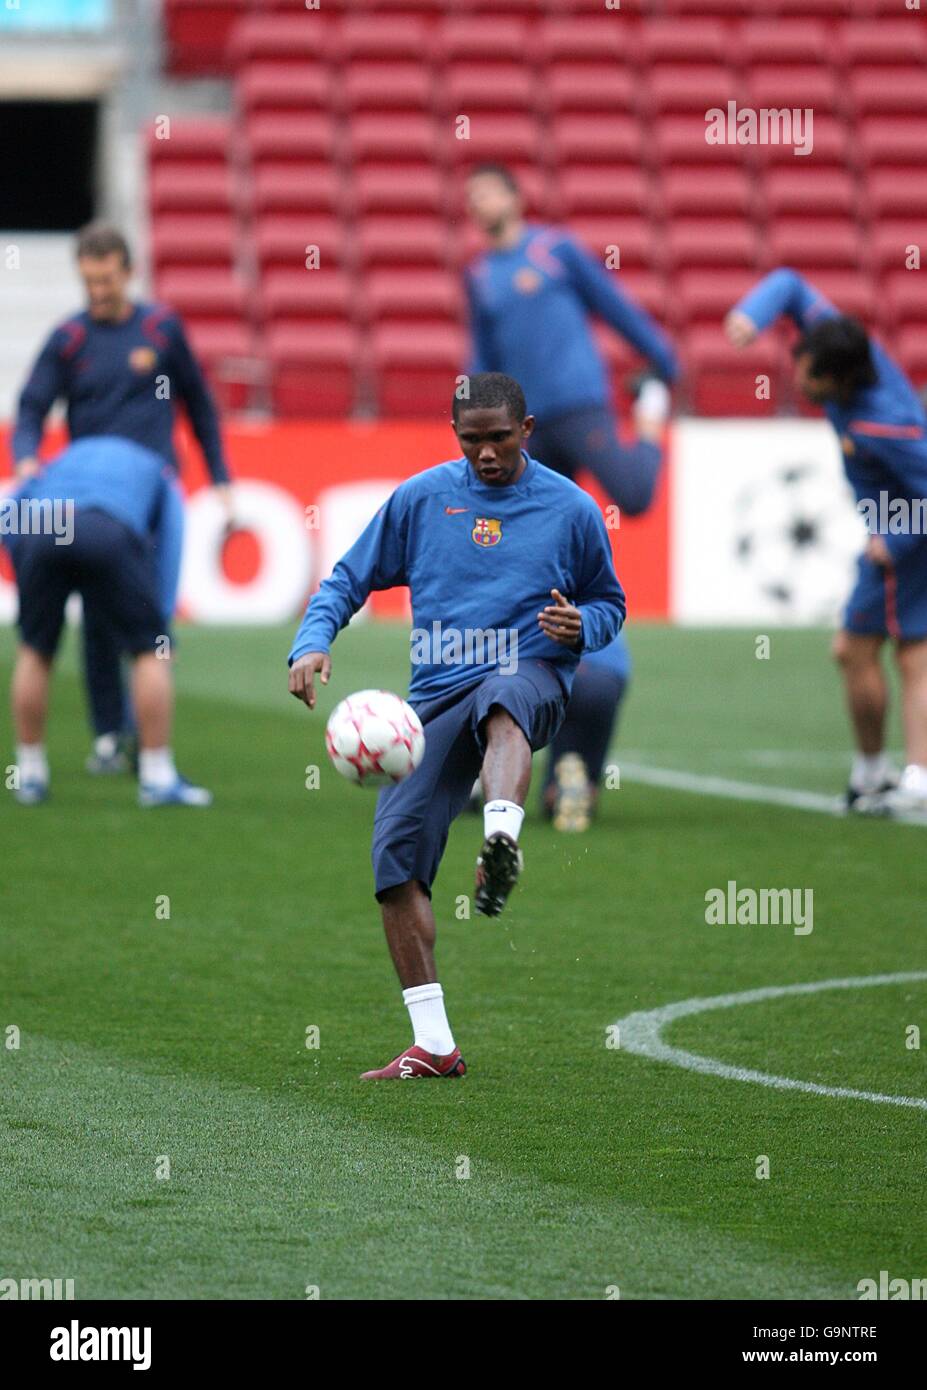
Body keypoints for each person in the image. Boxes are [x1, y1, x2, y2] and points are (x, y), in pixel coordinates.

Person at [287, 374, 626, 1079]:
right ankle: (434, 1044)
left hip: (528, 667)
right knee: (393, 866)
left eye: (498, 438)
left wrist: (581, 624)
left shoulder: (570, 508)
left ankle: (500, 835)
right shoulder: (420, 499)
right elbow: (346, 579)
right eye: (470, 440)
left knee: (503, 700)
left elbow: (608, 603)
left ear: (526, 429)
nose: (485, 455)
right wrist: (312, 641)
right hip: (434, 698)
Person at [463, 163, 678, 828]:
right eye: (471, 197)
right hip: (523, 425)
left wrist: (661, 361)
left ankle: (650, 415)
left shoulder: (554, 249)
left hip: (578, 403)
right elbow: (482, 356)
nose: (479, 203)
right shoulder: (478, 276)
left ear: (515, 197)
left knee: (635, 493)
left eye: (488, 191)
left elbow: (612, 306)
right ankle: (521, 762)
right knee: (523, 550)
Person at [10, 221, 233, 774]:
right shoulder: (70, 338)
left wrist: (221, 477)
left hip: (150, 493)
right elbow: (33, 404)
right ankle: (112, 735)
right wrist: (27, 457)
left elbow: (199, 404)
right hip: (93, 497)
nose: (98, 292)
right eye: (89, 281)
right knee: (95, 613)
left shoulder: (161, 329)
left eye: (107, 280)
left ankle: (142, 736)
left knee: (150, 614)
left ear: (128, 272)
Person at [725, 268, 927, 816]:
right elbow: (789, 283)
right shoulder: (845, 347)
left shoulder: (883, 424)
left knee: (881, 651)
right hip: (895, 528)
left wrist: (899, 537)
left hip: (904, 535)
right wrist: (752, 314)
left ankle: (902, 778)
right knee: (891, 653)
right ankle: (883, 775)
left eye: (811, 375)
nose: (800, 378)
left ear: (839, 381)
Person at [5, 435, 212, 808]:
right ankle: (157, 777)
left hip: (43, 525)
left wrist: (27, 575)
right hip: (107, 524)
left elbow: (10, 515)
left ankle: (30, 775)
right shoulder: (161, 472)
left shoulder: (66, 457)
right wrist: (161, 634)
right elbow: (170, 548)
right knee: (148, 653)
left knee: (35, 651)